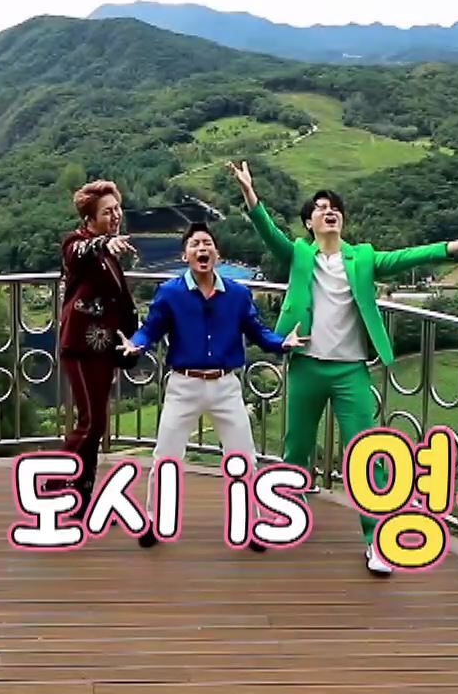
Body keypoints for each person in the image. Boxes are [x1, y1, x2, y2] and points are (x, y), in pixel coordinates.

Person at [228, 161, 458, 575]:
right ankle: (284, 516)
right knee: (295, 449)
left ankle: (377, 540)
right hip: (305, 365)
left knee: (367, 454)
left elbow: (408, 256)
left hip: (349, 371)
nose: (329, 211)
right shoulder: (300, 254)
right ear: (309, 223)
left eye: (334, 207)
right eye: (320, 208)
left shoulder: (363, 258)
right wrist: (250, 193)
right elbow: (268, 232)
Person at [122, 222, 300, 549]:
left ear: (216, 253)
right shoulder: (171, 292)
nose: (202, 249)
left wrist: (281, 343)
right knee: (167, 456)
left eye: (207, 243)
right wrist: (136, 344)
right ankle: (154, 520)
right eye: (195, 244)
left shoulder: (237, 294)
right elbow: (151, 328)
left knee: (243, 456)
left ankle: (251, 523)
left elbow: (257, 330)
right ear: (185, 255)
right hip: (183, 384)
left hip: (225, 385)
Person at [55, 180, 139, 512]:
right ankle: (54, 481)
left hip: (102, 349)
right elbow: (79, 254)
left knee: (95, 425)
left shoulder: (108, 253)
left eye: (117, 209)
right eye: (107, 212)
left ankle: (80, 496)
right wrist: (105, 242)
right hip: (80, 346)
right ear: (90, 218)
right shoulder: (76, 243)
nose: (116, 215)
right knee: (92, 423)